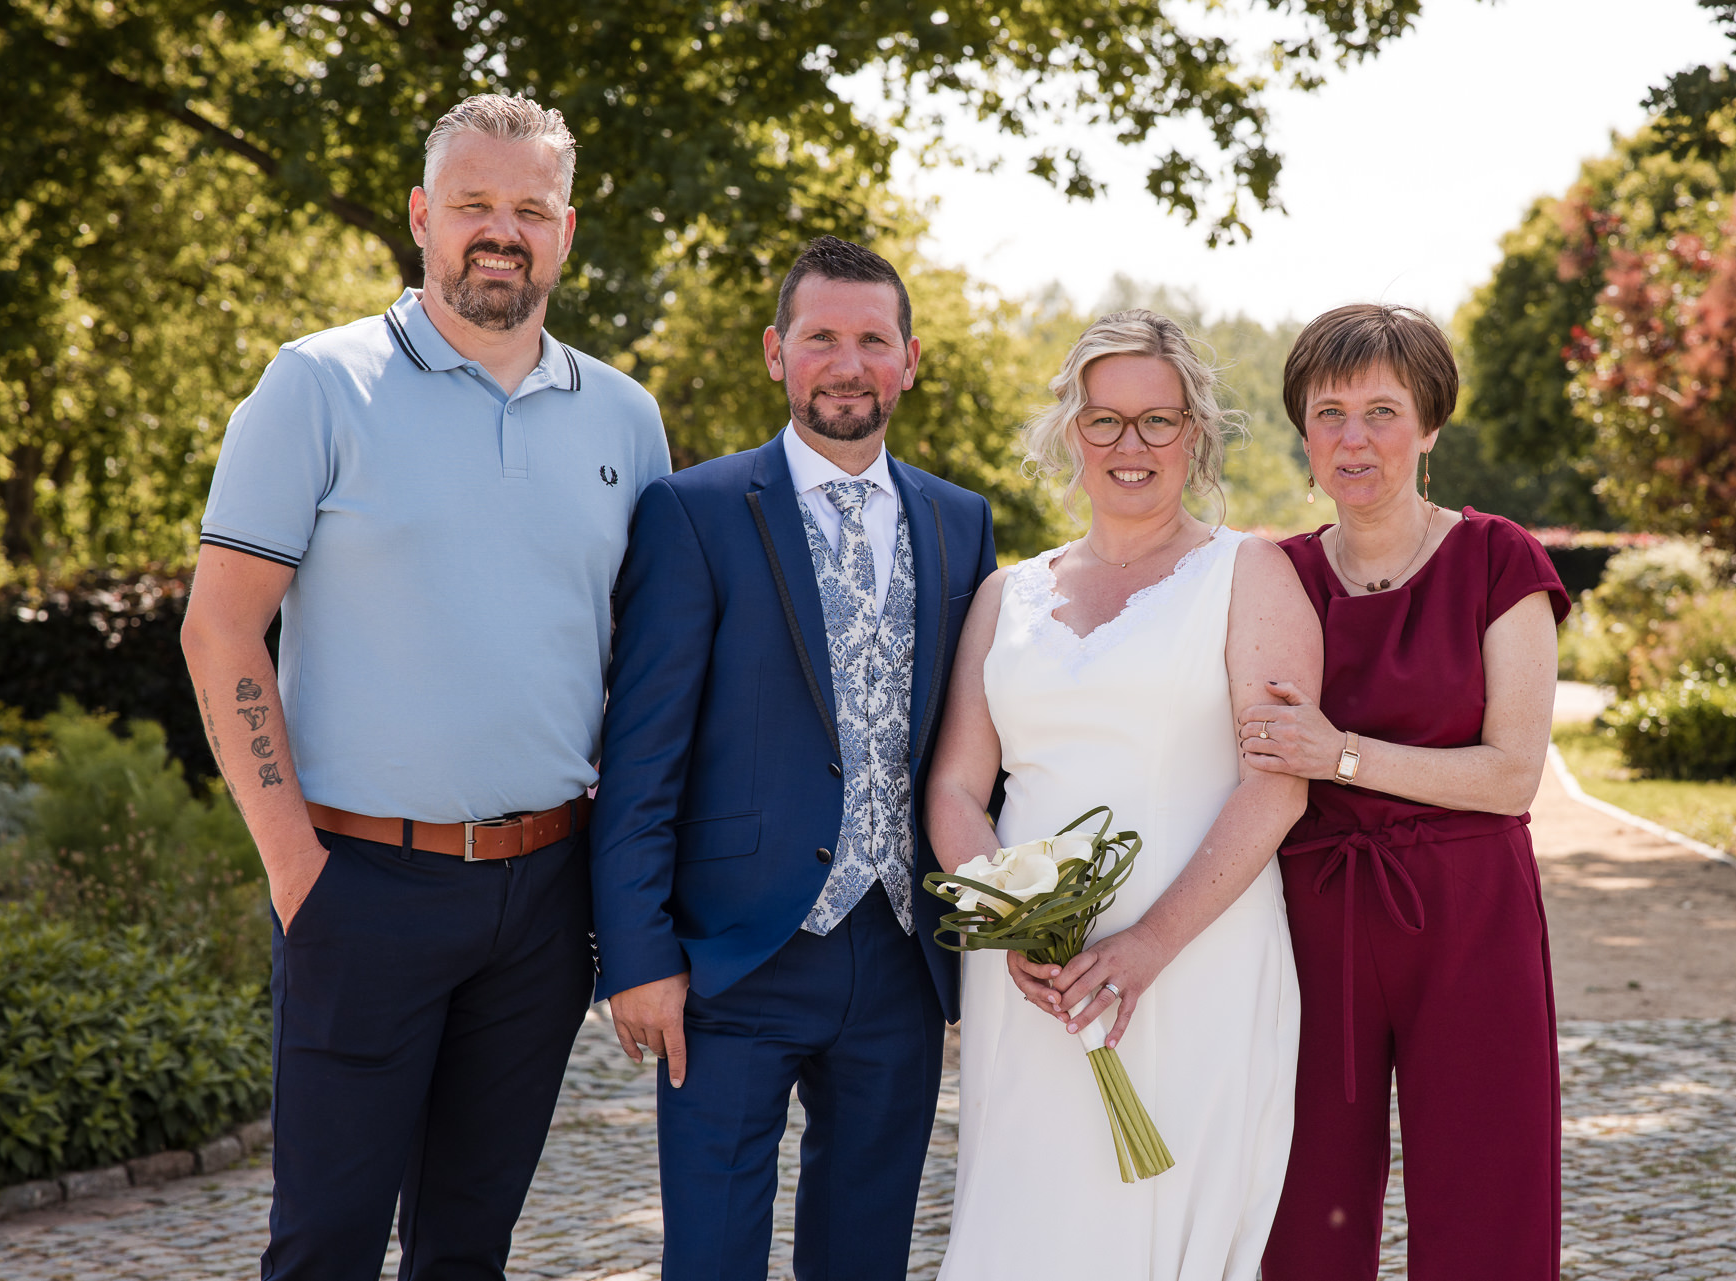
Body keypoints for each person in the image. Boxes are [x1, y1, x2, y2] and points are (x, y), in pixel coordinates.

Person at [180, 95, 670, 1279]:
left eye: (529, 210)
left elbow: (646, 668)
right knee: (326, 1246)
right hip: (361, 888)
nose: (500, 231)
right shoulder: (316, 385)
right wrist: (301, 875)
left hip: (547, 902)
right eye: (474, 206)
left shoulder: (625, 416)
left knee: (468, 1245)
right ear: (421, 216)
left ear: (564, 230)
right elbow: (219, 631)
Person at [592, 235, 996, 1279]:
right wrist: (638, 957)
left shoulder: (962, 523)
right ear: (778, 353)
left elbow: (983, 744)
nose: (848, 363)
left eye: (873, 339)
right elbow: (641, 758)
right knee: (714, 1256)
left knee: (864, 1256)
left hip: (902, 958)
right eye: (823, 338)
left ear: (911, 360)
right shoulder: (696, 512)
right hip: (731, 958)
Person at [924, 309, 1321, 1277]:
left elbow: (1279, 790)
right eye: (1104, 420)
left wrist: (1146, 946)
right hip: (1035, 984)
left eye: (1158, 420)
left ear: (1197, 431)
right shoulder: (1006, 596)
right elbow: (954, 789)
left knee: (1169, 1224)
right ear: (1071, 430)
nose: (1129, 445)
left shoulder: (1250, 574)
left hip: (1199, 967)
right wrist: (1017, 923)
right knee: (1031, 1225)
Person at [1240, 303, 1570, 1279]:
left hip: (1471, 912)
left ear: (1429, 427)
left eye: (1383, 411)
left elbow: (1514, 772)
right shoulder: (1277, 574)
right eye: (1328, 410)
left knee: (1487, 1190)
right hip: (1313, 917)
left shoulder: (1497, 558)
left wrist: (1341, 753)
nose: (1353, 437)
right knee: (1306, 1204)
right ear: (1303, 429)